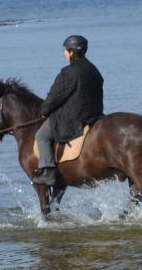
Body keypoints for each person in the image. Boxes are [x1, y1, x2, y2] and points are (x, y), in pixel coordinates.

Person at [32, 35, 104, 185]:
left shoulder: (68, 72)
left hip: (74, 118)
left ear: (72, 52)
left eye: (65, 50)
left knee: (41, 136)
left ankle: (48, 170)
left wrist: (44, 111)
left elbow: (55, 96)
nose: (64, 53)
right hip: (95, 115)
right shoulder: (94, 70)